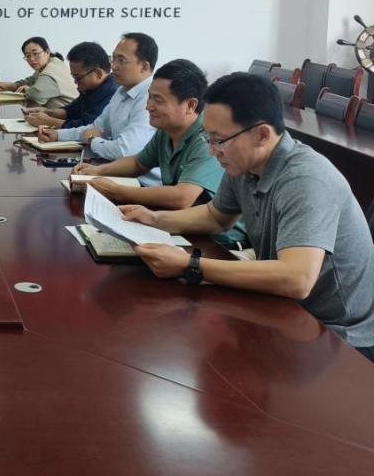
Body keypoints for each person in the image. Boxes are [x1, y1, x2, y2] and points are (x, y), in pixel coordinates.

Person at [124, 73, 374, 362]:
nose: (212, 151)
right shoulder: (244, 162)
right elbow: (216, 216)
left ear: (262, 135)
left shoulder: (305, 179)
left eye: (219, 140)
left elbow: (297, 278)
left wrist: (190, 265)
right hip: (289, 310)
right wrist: (154, 219)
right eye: (208, 138)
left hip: (341, 336)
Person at [72, 59, 247, 249]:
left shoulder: (209, 138)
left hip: (218, 243)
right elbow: (138, 163)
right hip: (178, 227)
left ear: (190, 105)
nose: (148, 106)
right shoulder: (167, 129)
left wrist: (117, 191)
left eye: (158, 100)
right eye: (149, 98)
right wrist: (98, 171)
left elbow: (182, 197)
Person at [40, 33, 158, 181]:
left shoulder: (150, 98)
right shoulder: (121, 92)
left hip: (141, 183)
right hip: (116, 172)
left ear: (144, 66)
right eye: (113, 58)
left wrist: (92, 140)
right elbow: (96, 127)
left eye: (121, 60)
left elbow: (123, 150)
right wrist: (57, 135)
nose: (114, 66)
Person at [24, 41, 118, 129]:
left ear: (98, 74)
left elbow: (88, 127)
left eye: (78, 77)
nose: (75, 82)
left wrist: (49, 121)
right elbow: (72, 110)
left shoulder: (113, 94)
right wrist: (48, 112)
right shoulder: (91, 88)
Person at [0, 36, 77, 107]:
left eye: (35, 53)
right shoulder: (50, 64)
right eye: (28, 56)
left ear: (47, 52)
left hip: (71, 118)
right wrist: (12, 86)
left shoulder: (52, 71)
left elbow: (36, 95)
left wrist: (28, 90)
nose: (32, 59)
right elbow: (32, 80)